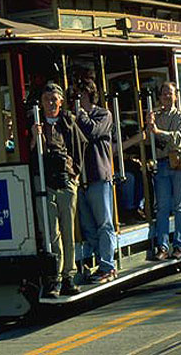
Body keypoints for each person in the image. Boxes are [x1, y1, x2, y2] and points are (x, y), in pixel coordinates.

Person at [30, 82, 85, 298]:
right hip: (45, 183)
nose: (51, 103)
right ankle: (55, 278)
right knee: (51, 232)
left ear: (61, 102)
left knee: (68, 231)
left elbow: (80, 147)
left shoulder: (68, 122)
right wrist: (35, 136)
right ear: (42, 103)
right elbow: (31, 154)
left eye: (54, 99)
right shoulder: (35, 123)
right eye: (47, 100)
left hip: (66, 182)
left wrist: (75, 175)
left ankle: (69, 276)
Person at [74, 79, 117, 284]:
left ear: (89, 94)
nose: (77, 99)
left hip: (99, 175)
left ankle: (108, 266)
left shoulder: (104, 114)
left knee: (104, 224)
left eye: (80, 94)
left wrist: (80, 114)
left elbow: (92, 132)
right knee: (88, 226)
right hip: (80, 177)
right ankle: (101, 263)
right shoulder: (75, 117)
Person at [147, 82, 181, 261]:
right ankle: (163, 247)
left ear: (176, 96)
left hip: (179, 165)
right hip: (162, 165)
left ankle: (179, 245)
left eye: (170, 94)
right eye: (163, 94)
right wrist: (149, 125)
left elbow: (178, 139)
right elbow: (149, 138)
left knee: (179, 207)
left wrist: (158, 131)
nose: (166, 97)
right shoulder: (155, 116)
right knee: (163, 208)